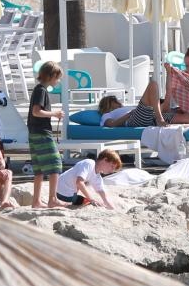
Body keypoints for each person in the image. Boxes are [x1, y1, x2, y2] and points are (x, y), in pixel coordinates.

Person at [26, 61, 64, 208]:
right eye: (58, 77)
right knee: (55, 164)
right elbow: (36, 111)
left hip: (33, 132)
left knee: (39, 169)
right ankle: (52, 199)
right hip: (42, 133)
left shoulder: (38, 89)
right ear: (52, 75)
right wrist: (55, 114)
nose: (58, 81)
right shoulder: (41, 90)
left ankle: (36, 201)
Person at [55, 149, 122, 209]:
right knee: (89, 202)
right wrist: (91, 199)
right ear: (105, 160)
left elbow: (103, 194)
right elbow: (79, 182)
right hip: (61, 191)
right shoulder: (89, 163)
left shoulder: (97, 176)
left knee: (95, 202)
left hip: (67, 193)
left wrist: (111, 207)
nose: (112, 170)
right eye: (112, 166)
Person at [96, 90, 163, 128]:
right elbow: (112, 124)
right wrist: (130, 114)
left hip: (149, 117)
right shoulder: (106, 114)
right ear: (107, 105)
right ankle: (160, 119)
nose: (118, 102)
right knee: (152, 85)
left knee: (166, 107)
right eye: (115, 101)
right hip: (134, 118)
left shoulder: (121, 108)